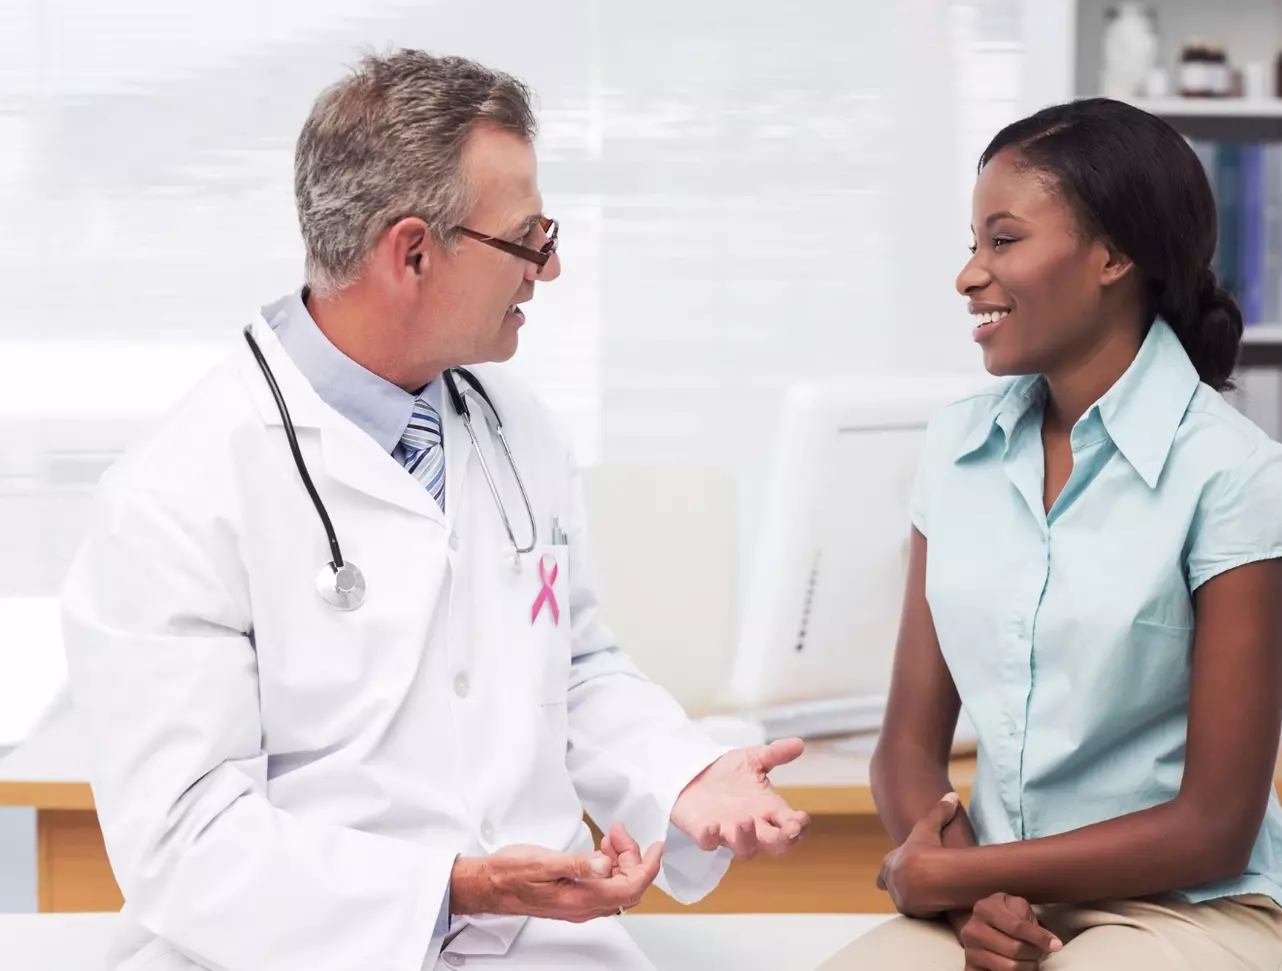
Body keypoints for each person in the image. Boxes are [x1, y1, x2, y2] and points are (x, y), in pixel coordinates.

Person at [60, 50, 809, 971]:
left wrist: (686, 773)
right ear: (412, 251)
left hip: (540, 949)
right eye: (529, 238)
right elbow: (188, 845)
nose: (552, 266)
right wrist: (451, 887)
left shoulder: (517, 429)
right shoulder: (176, 491)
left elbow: (572, 669)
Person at [818, 98, 1282, 970]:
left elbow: (1215, 824)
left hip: (1195, 909)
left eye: (1003, 240)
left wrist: (957, 875)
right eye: (972, 243)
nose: (970, 275)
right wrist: (972, 890)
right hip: (1001, 899)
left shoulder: (1237, 474)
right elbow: (906, 744)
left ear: (1114, 256)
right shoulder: (956, 446)